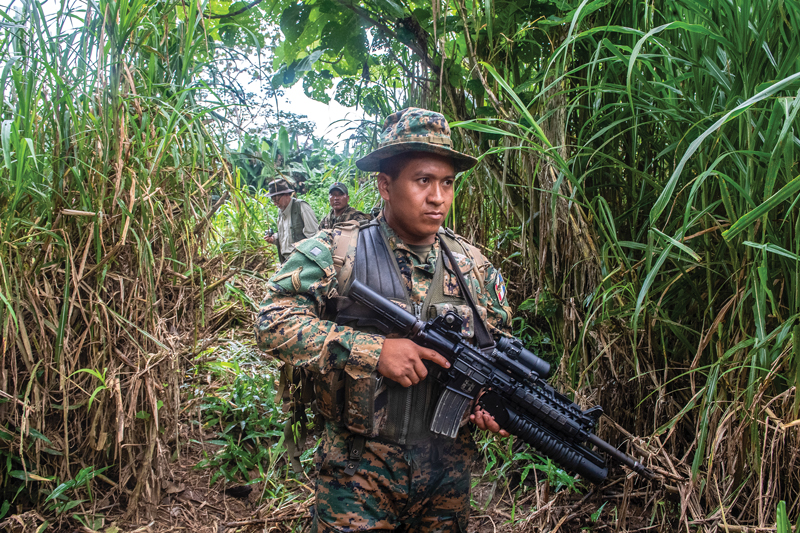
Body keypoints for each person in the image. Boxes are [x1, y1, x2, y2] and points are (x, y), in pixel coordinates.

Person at [256, 108, 512, 532]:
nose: (438, 197)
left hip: (448, 472)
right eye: (423, 181)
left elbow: (497, 344)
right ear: (385, 185)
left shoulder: (474, 267)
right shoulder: (337, 252)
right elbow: (271, 320)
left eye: (447, 183)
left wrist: (488, 400)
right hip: (358, 472)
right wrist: (374, 351)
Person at [264, 178, 319, 263]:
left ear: (286, 195)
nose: (275, 204)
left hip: (301, 259)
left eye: (277, 200)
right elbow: (285, 235)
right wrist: (274, 238)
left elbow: (314, 235)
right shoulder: (281, 212)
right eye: (273, 201)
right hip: (286, 260)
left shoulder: (301, 207)